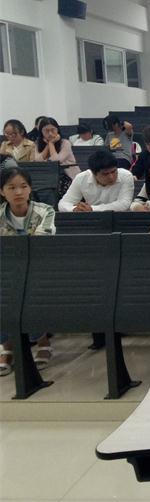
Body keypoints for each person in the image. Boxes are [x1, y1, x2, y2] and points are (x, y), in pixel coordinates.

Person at [0, 166, 56, 376]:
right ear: (2, 191)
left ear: (30, 188)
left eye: (23, 186)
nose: (18, 192)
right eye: (11, 188)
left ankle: (42, 341)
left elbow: (42, 243)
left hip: (38, 269)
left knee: (29, 289)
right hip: (6, 271)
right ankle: (7, 346)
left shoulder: (45, 211)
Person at [58, 149, 134, 212]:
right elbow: (63, 203)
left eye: (114, 171)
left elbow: (124, 204)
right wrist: (74, 209)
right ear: (94, 173)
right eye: (105, 174)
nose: (111, 177)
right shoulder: (81, 178)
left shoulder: (126, 176)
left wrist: (92, 209)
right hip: (92, 221)